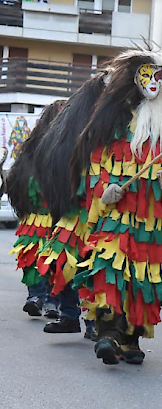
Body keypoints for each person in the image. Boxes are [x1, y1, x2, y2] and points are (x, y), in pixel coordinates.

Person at [70, 48, 162, 365]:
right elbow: (93, 167)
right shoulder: (111, 122)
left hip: (153, 223)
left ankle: (130, 339)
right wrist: (105, 190)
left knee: (143, 282)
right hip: (115, 220)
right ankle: (107, 333)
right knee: (109, 272)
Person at [33, 68, 112, 340]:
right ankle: (69, 315)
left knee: (94, 266)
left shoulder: (116, 127)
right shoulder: (72, 126)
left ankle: (93, 321)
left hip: (102, 212)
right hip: (74, 210)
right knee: (63, 261)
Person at [7, 101, 63, 318]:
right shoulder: (32, 149)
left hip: (58, 220)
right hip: (35, 216)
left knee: (55, 261)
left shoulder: (68, 149)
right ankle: (36, 296)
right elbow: (17, 178)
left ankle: (51, 300)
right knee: (32, 258)